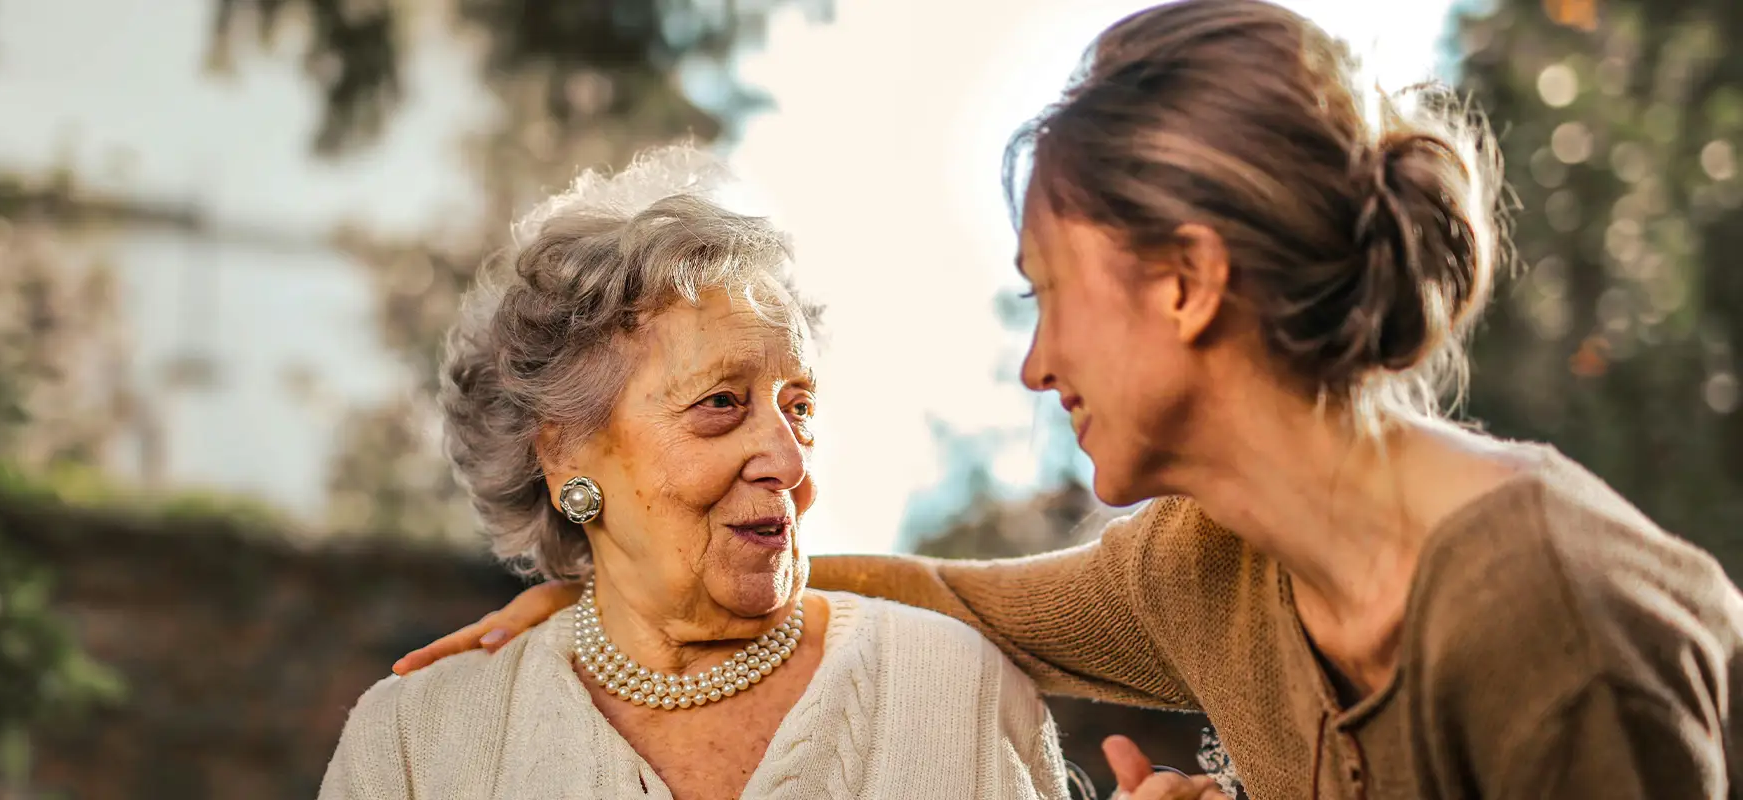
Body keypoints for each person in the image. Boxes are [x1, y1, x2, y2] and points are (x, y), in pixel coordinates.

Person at [389, 1, 1743, 798]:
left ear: (1187, 284)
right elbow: (944, 598)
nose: (1036, 364)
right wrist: (621, 583)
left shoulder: (1538, 616)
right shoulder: (1213, 569)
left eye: (1047, 292)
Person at [316, 145, 1083, 800]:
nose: (789, 462)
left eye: (800, 406)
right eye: (721, 403)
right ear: (566, 455)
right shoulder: (415, 746)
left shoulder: (960, 692)